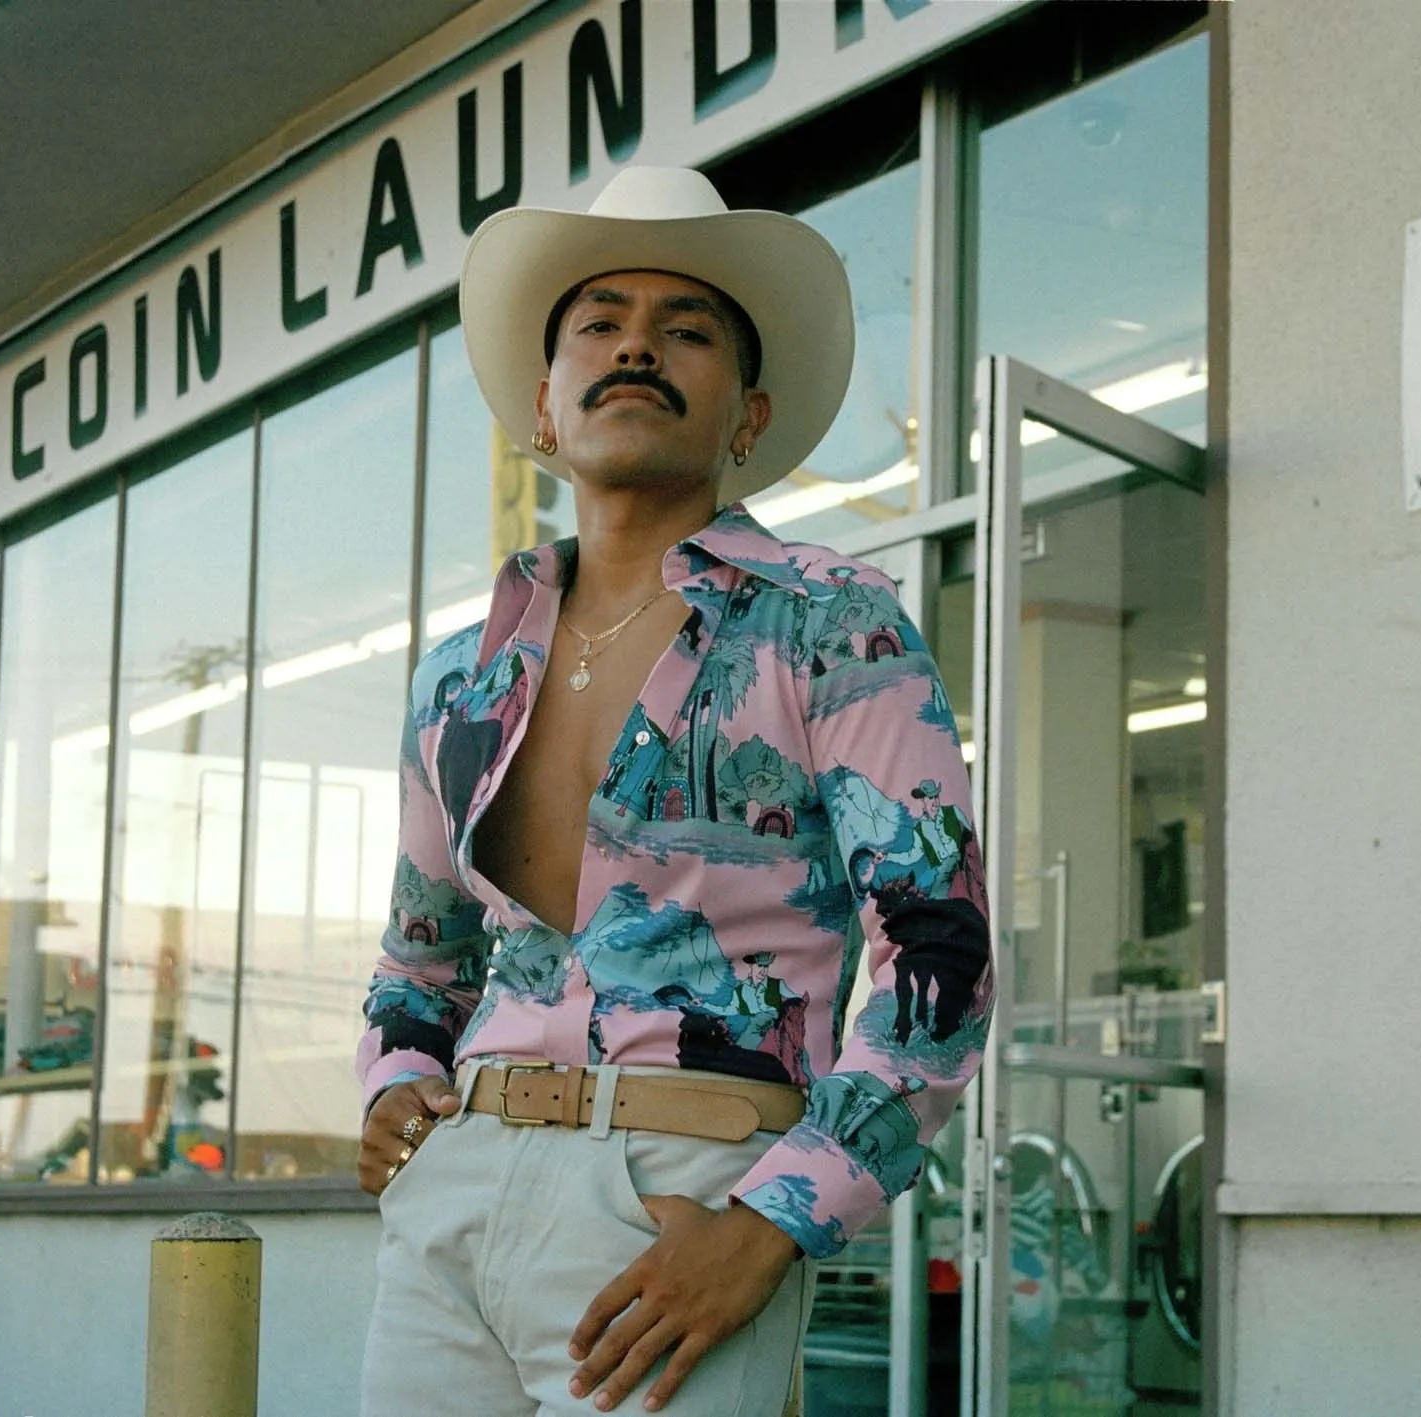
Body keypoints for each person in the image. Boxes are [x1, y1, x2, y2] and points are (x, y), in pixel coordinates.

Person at [355, 166, 992, 1416]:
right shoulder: (460, 677)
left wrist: (772, 1224)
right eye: (599, 322)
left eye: (685, 328)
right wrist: (391, 1084)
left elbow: (939, 951)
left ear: (744, 418)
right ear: (542, 404)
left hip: (686, 1194)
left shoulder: (828, 622)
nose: (637, 344)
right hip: (458, 1203)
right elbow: (418, 961)